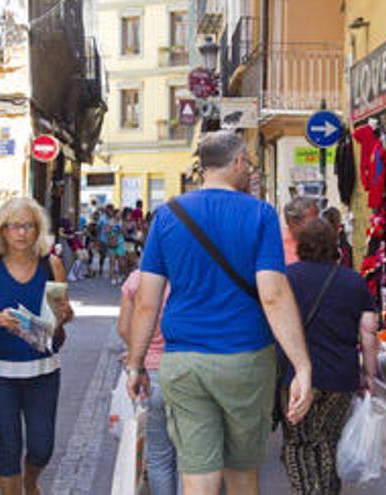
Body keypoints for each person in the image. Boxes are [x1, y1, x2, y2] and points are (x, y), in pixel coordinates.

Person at [126, 130, 314, 495]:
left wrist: (135, 364)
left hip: (184, 361)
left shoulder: (168, 215)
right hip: (244, 360)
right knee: (242, 473)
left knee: (197, 475)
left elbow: (147, 302)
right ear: (239, 162)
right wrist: (301, 366)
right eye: (250, 164)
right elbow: (273, 295)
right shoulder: (259, 214)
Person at [0, 197, 74, 495]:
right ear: (2, 231)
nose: (21, 233)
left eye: (28, 226)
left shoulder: (51, 265)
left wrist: (66, 313)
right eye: (14, 226)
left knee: (42, 446)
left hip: (43, 370)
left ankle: (31, 480)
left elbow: (61, 315)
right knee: (8, 446)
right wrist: (0, 320)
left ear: (37, 229)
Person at [279, 218, 379, 495]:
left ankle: (306, 491)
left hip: (295, 376)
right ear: (335, 247)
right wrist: (370, 374)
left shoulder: (286, 277)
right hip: (341, 376)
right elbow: (369, 331)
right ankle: (326, 490)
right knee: (328, 440)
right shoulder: (353, 281)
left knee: (298, 442)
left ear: (301, 246)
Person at [117, 270, 177, 494]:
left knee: (159, 457)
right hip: (186, 369)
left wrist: (137, 352)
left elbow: (124, 328)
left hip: (151, 374)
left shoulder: (136, 279)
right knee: (192, 458)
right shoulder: (190, 270)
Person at [282, 197, 319, 265]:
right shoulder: (276, 244)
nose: (318, 226)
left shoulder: (320, 241)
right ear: (293, 222)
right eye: (313, 222)